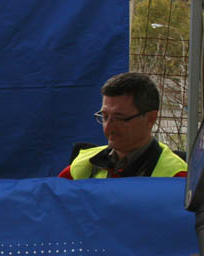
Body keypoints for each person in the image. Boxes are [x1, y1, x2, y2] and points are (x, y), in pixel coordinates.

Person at [59, 71, 187, 179]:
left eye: (119, 118)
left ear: (150, 118)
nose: (109, 127)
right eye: (105, 117)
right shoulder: (82, 166)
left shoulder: (177, 177)